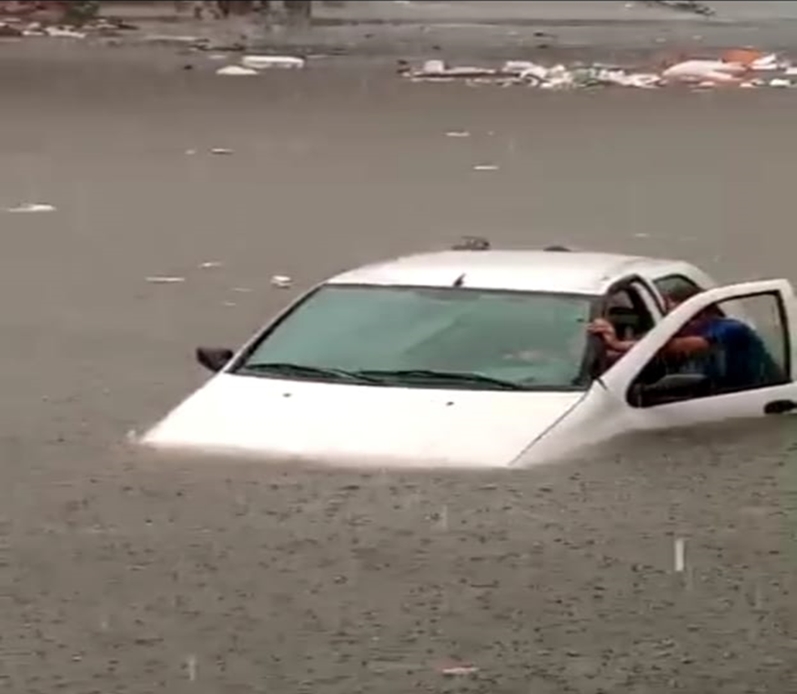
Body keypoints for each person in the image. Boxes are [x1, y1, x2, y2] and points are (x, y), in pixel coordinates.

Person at [588, 286, 783, 391]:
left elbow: (685, 347)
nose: (673, 318)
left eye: (678, 312)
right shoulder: (674, 335)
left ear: (700, 311)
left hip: (756, 399)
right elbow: (639, 356)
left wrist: (618, 344)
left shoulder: (731, 329)